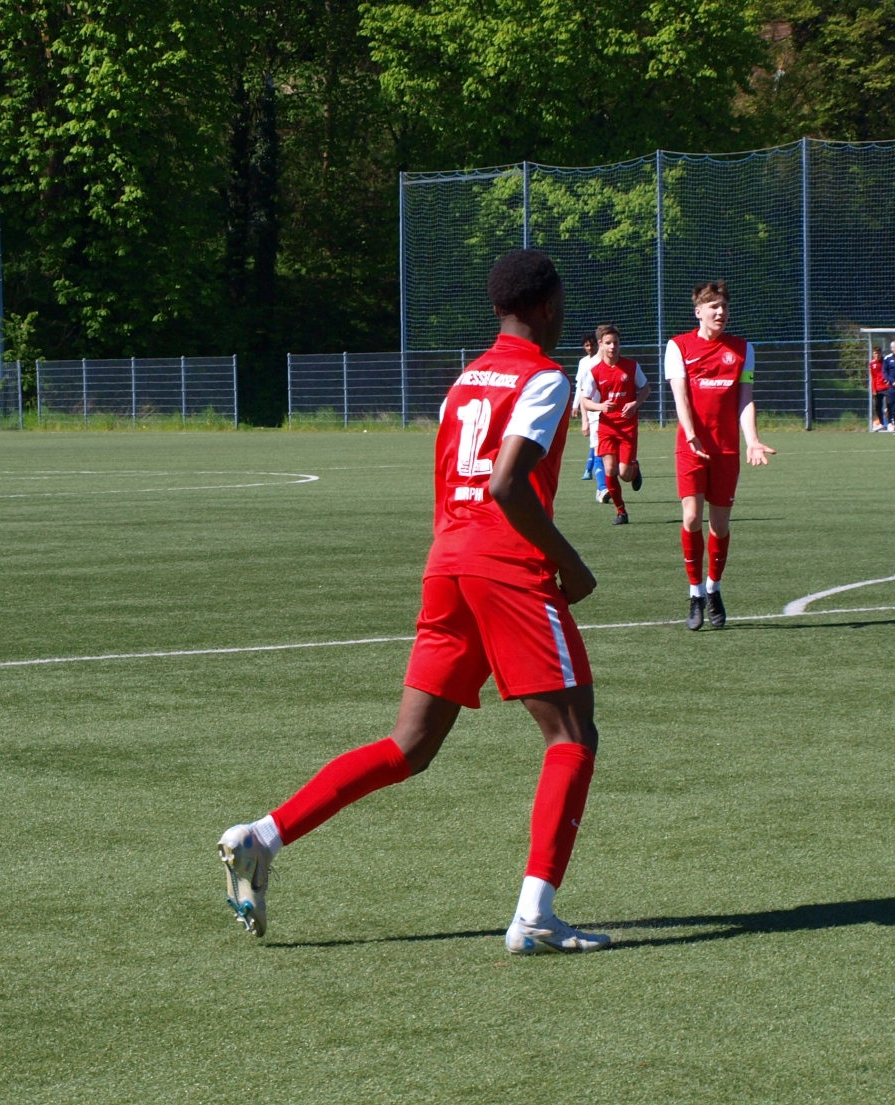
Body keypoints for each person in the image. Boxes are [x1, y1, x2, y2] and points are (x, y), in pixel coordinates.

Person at [218, 248, 610, 954]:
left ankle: (262, 837)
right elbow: (506, 485)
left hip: (449, 562)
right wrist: (571, 566)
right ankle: (534, 916)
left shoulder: (464, 382)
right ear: (550, 307)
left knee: (409, 747)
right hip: (504, 566)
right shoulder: (545, 378)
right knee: (572, 736)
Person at [667, 279, 776, 630]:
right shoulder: (678, 346)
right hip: (692, 446)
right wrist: (692, 433)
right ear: (698, 312)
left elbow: (745, 399)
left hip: (726, 448)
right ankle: (695, 592)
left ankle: (713, 588)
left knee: (720, 524)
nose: (720, 312)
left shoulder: (743, 349)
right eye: (713, 307)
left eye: (725, 306)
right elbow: (681, 397)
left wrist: (752, 440)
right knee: (691, 517)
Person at [585, 323, 646, 525]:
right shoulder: (595, 371)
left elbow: (646, 388)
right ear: (601, 344)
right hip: (607, 427)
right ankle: (621, 512)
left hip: (628, 427)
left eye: (616, 343)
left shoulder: (631, 366)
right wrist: (601, 406)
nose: (613, 347)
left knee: (625, 474)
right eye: (608, 343)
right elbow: (585, 401)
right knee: (610, 470)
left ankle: (634, 470)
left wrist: (635, 403)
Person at [574, 333, 607, 502]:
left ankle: (632, 465)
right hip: (595, 413)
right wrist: (584, 418)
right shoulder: (586, 364)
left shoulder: (617, 363)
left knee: (621, 466)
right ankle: (602, 488)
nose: (590, 348)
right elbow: (581, 390)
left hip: (614, 415)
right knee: (597, 447)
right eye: (586, 345)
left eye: (592, 344)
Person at [869, 347, 889, 431]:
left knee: (890, 404)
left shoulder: (886, 361)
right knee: (877, 406)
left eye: (879, 353)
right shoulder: (872, 364)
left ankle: (891, 423)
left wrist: (889, 381)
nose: (877, 355)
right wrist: (874, 389)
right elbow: (873, 377)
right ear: (873, 354)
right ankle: (881, 423)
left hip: (887, 387)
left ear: (881, 354)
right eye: (875, 353)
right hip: (878, 388)